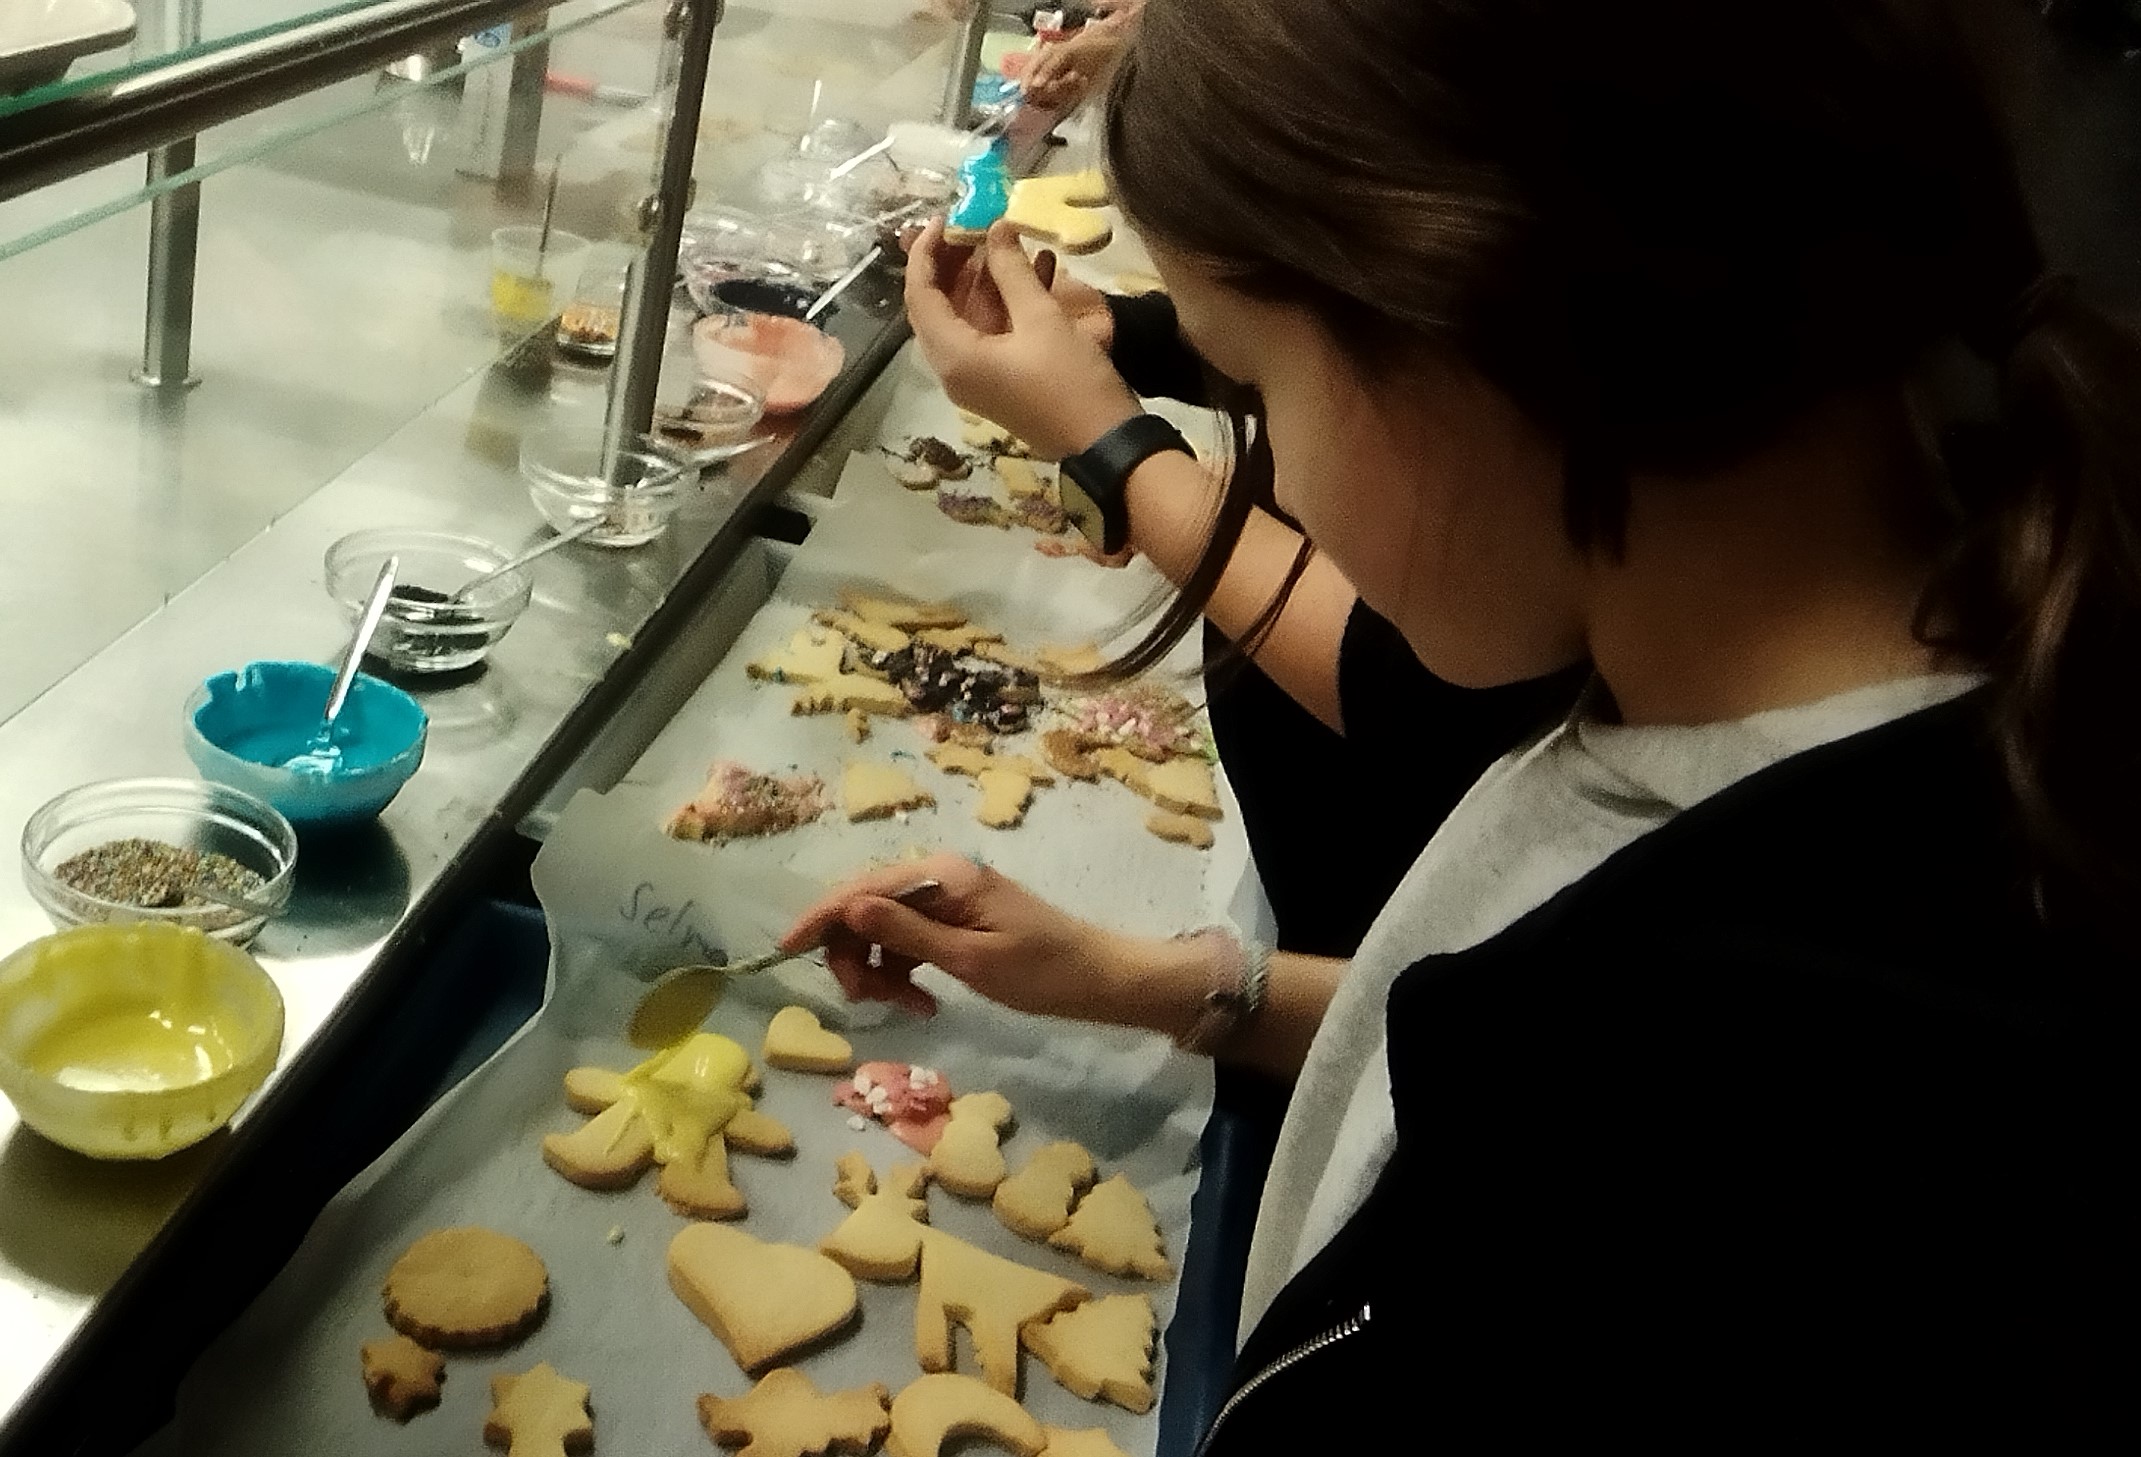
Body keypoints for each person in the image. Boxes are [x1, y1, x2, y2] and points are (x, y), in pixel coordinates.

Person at [791, 0, 2133, 1439]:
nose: (1282, 476)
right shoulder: (1900, 705)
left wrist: (1110, 443)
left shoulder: (1753, 1157)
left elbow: (1548, 1080)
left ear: (1456, 326)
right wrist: (1149, 980)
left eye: (1257, 384)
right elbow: (1475, 1026)